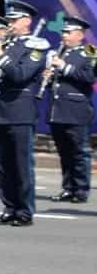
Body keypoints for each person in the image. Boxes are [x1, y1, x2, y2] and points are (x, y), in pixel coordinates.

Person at [0, 0, 47, 227]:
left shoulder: (36, 47)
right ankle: (9, 207)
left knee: (20, 164)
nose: (10, 24)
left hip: (19, 112)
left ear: (26, 21)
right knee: (2, 165)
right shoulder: (5, 44)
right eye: (9, 20)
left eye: (14, 20)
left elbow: (20, 75)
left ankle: (25, 211)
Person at [45, 16, 94, 204]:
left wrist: (64, 67)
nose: (64, 35)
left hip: (76, 110)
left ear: (80, 35)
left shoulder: (88, 53)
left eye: (68, 32)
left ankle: (81, 190)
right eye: (63, 32)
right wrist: (48, 77)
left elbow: (88, 77)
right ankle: (68, 187)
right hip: (58, 110)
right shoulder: (61, 53)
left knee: (79, 152)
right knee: (64, 152)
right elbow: (58, 83)